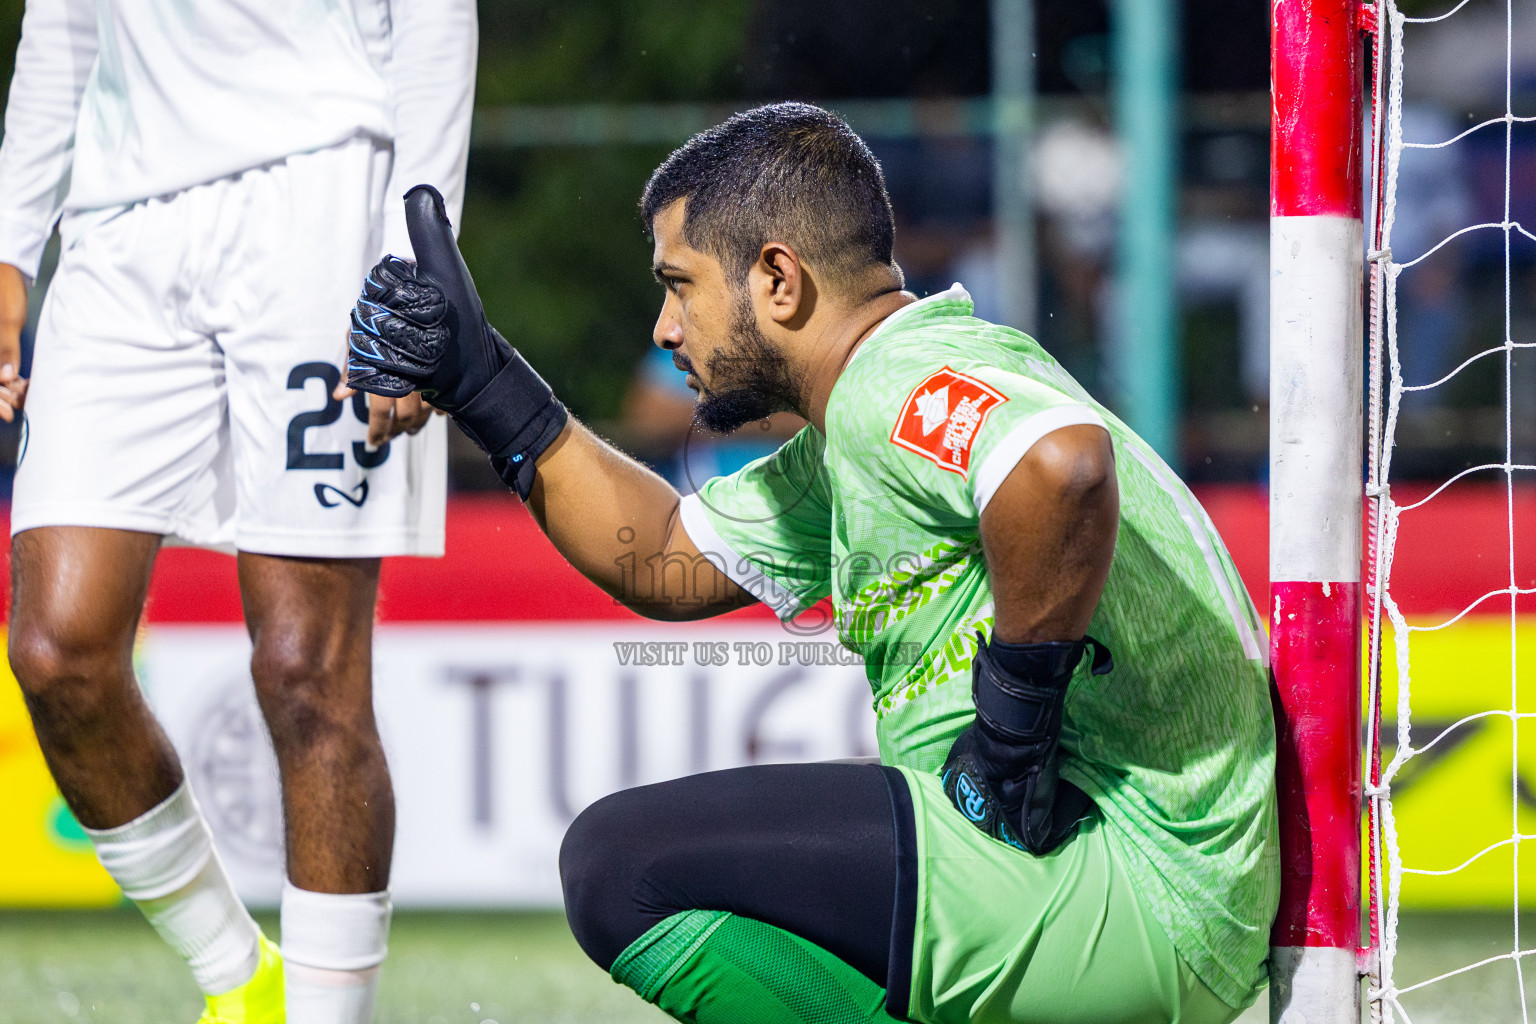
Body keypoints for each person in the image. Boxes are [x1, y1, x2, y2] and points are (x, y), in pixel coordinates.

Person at [348, 103, 1278, 1024]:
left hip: (1139, 891)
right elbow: (662, 555)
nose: (667, 328)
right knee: (654, 872)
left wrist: (1012, 738)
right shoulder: (858, 426)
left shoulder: (891, 384)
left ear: (778, 281)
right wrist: (484, 384)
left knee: (620, 868)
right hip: (1151, 899)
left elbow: (1061, 467)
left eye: (681, 285)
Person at [0, 2, 474, 1022]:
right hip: (118, 219)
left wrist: (415, 261)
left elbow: (435, 19)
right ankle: (241, 979)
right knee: (55, 648)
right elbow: (64, 24)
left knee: (307, 666)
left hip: (325, 187)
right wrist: (8, 243)